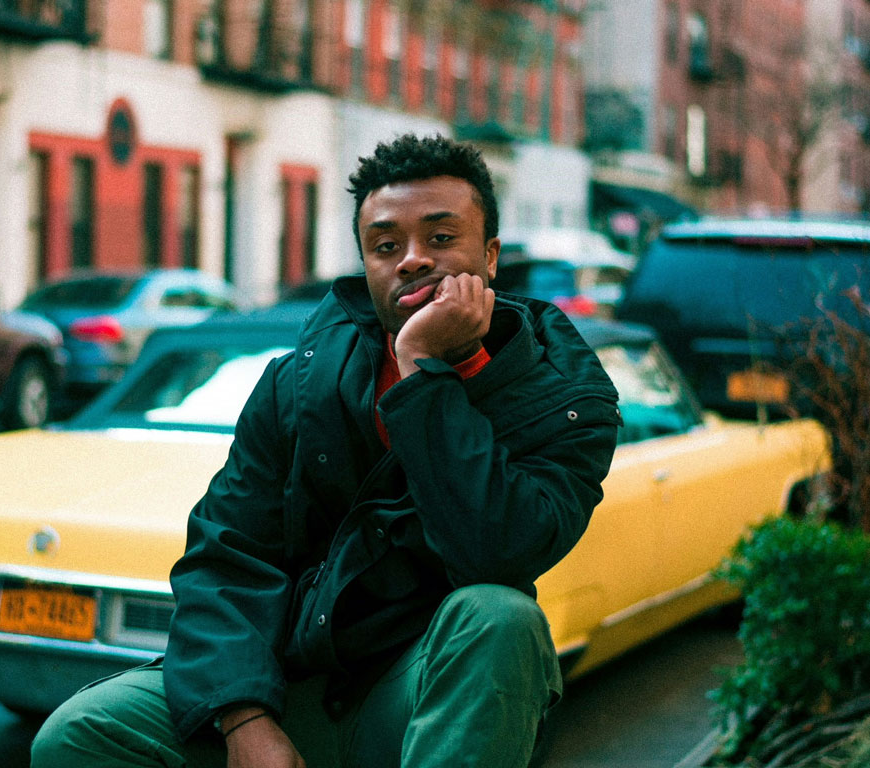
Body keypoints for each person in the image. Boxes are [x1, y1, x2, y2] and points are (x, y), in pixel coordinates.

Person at [31, 133, 621, 768]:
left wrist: (422, 370)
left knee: (500, 616)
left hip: (422, 697)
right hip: (288, 684)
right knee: (77, 735)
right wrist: (244, 719)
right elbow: (227, 555)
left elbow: (496, 553)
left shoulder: (564, 403)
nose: (413, 260)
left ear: (491, 256)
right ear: (366, 264)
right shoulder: (300, 383)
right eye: (386, 246)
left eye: (441, 237)